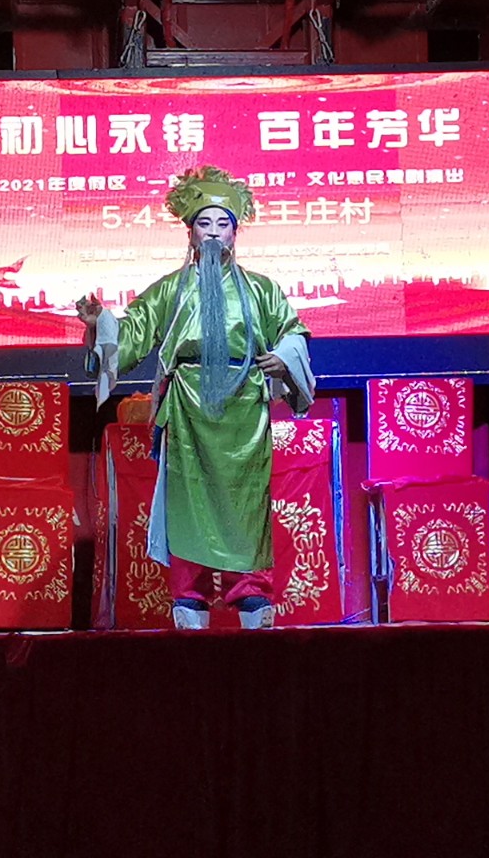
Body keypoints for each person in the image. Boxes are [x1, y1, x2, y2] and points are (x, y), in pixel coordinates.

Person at [76, 165, 315, 630]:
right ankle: (190, 596)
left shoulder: (261, 289)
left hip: (244, 408)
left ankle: (252, 595)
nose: (213, 233)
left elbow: (292, 332)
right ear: (190, 232)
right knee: (188, 503)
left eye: (223, 224)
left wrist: (284, 359)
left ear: (235, 233)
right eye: (204, 223)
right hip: (188, 407)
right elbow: (131, 335)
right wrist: (98, 324)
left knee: (246, 504)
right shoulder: (172, 289)